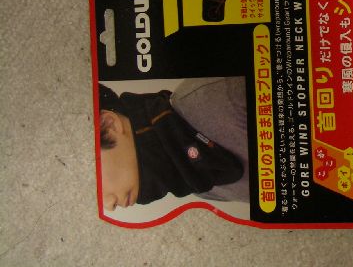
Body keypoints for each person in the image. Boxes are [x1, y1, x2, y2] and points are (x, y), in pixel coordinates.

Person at [98, 77, 249, 212]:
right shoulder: (200, 184)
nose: (109, 206)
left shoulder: (213, 98)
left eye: (94, 183)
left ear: (109, 125)